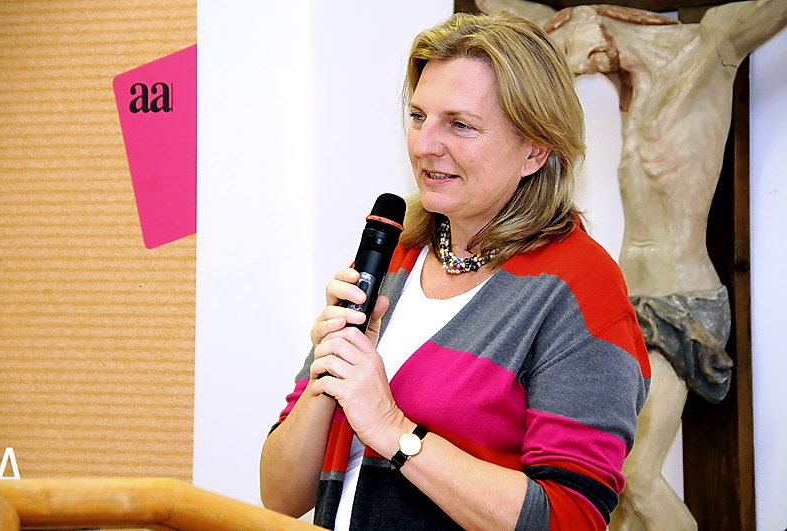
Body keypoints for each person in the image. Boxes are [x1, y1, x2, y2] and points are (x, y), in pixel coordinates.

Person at [260, 12, 649, 530]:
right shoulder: (394, 255)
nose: (424, 144)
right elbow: (279, 495)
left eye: (459, 124)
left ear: (535, 149)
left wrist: (392, 429)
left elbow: (571, 517)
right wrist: (327, 380)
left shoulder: (580, 286)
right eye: (418, 116)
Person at [474, 2, 785, 529]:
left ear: (596, 32)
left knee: (635, 475)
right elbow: (513, 15)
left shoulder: (708, 51)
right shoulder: (628, 90)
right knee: (604, 484)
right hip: (624, 302)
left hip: (680, 301)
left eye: (565, 54)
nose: (565, 70)